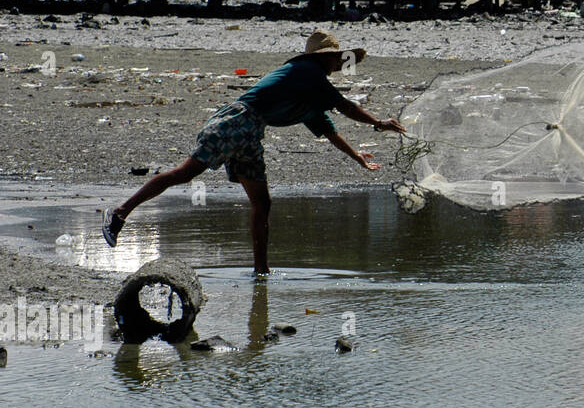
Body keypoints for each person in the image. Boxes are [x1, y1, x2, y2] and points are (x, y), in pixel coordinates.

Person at [102, 30, 406, 274]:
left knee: (262, 201)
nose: (338, 64)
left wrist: (356, 156)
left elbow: (330, 131)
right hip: (238, 120)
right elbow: (345, 106)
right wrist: (379, 123)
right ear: (325, 58)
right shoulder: (308, 70)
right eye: (335, 59)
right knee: (186, 173)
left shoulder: (312, 90)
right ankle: (119, 212)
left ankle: (261, 272)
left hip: (251, 131)